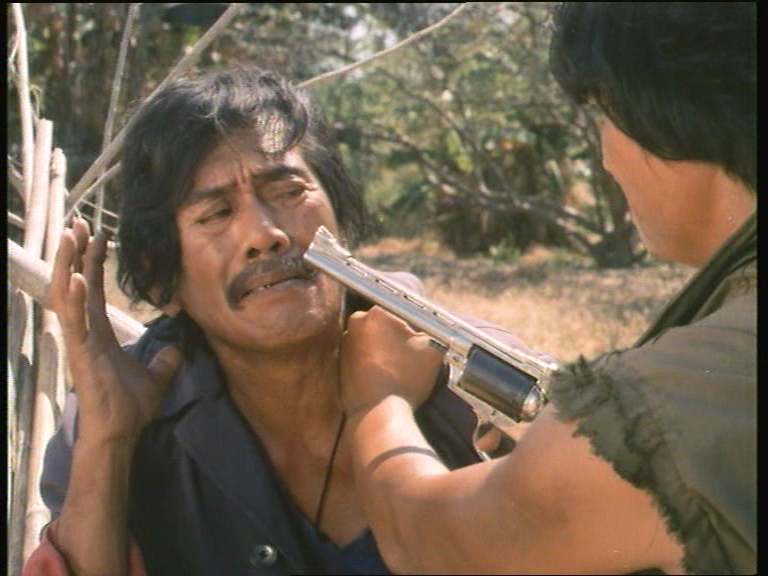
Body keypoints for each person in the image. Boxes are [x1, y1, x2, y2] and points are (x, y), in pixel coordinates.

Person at [23, 66, 528, 576]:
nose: (264, 235)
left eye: (288, 192)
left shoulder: (483, 380)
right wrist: (108, 442)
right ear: (162, 281)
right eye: (215, 214)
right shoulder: (109, 428)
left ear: (340, 218)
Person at [337, 3, 756, 575]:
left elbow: (427, 542)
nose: (604, 158)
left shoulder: (666, 408)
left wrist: (375, 400)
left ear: (671, 112)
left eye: (603, 114)